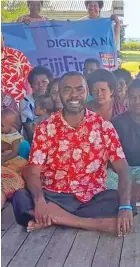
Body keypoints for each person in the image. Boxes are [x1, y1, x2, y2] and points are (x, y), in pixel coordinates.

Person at [12, 71, 136, 237]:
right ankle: (91, 223)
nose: (74, 95)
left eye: (79, 89)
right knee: (20, 198)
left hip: (92, 198)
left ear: (87, 92)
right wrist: (40, 201)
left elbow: (123, 169)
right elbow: (33, 171)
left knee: (127, 202)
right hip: (53, 196)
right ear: (59, 94)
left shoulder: (103, 127)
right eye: (68, 90)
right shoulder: (45, 128)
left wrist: (125, 206)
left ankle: (56, 218)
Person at [109, 79, 140, 201]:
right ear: (127, 98)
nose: (137, 101)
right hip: (123, 171)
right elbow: (112, 158)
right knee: (106, 178)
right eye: (133, 97)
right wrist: (130, 182)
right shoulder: (118, 122)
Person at [1, 108, 29, 209]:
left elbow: (14, 152)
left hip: (14, 159)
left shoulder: (15, 137)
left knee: (13, 170)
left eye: (2, 125)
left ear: (12, 126)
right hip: (5, 156)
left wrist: (4, 159)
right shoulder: (3, 132)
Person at [20, 66, 53, 143]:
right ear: (31, 85)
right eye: (36, 83)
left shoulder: (54, 98)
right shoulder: (26, 101)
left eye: (44, 82)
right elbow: (29, 129)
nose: (40, 85)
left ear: (50, 82)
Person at [1, 34, 32, 102]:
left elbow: (30, 77)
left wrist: (30, 101)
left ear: (3, 39)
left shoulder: (16, 54)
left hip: (21, 105)